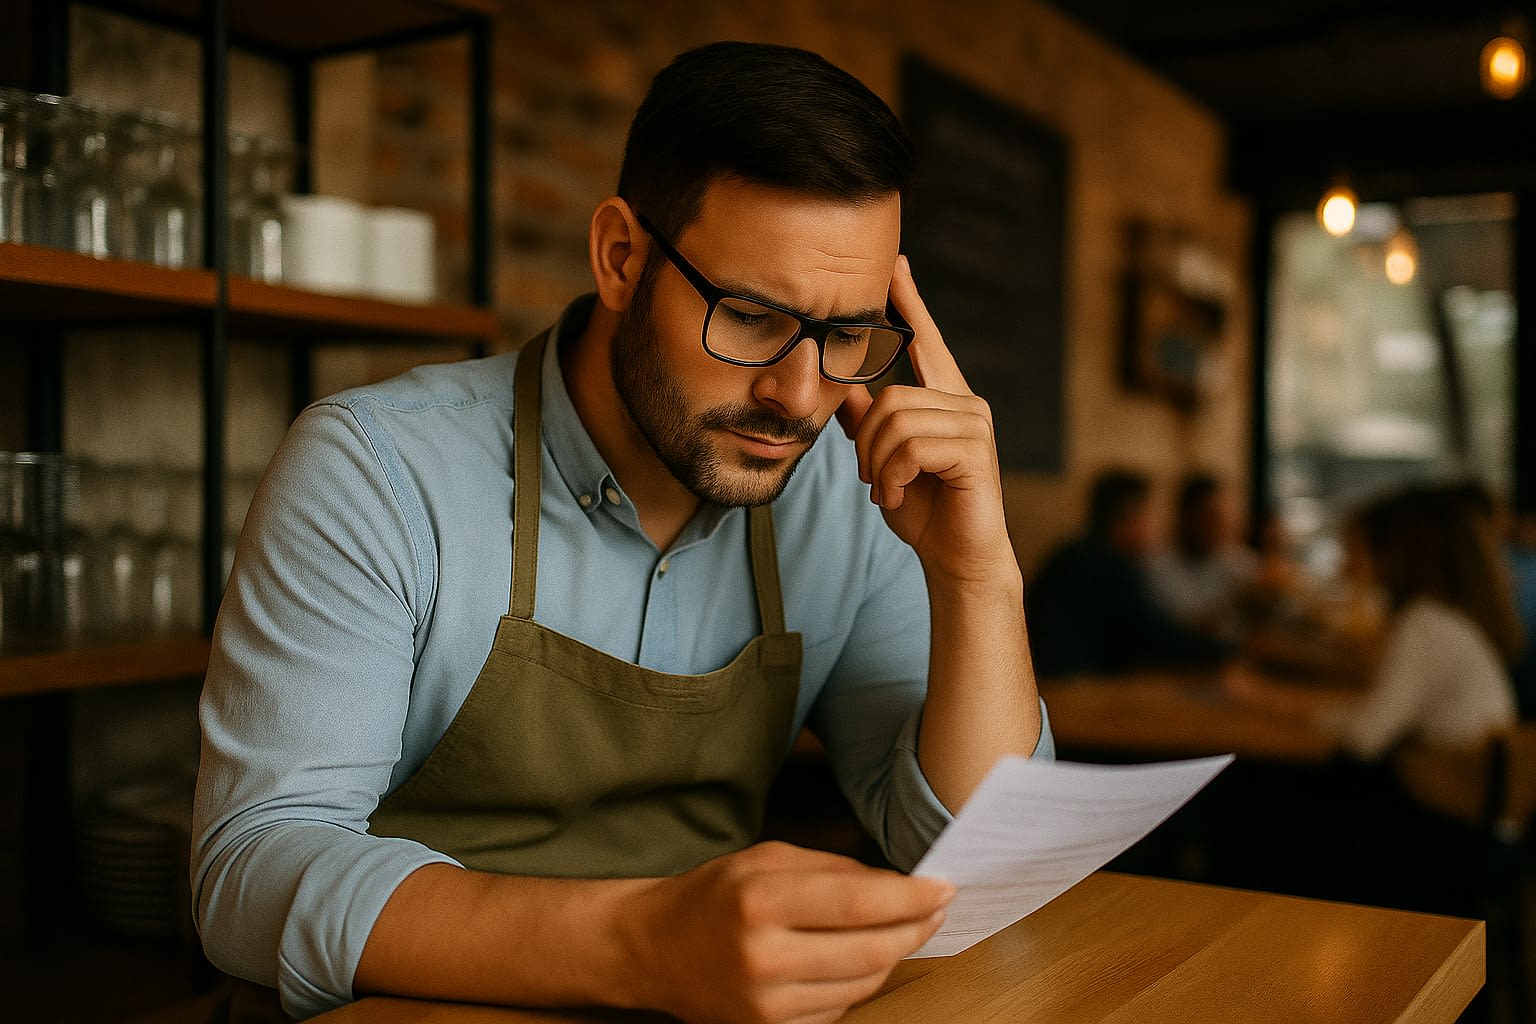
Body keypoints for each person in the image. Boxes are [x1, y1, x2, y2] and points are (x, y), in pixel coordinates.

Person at [192, 41, 1052, 1023]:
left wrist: (976, 574)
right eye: (752, 317)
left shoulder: (849, 500)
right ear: (621, 258)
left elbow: (991, 871)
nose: (800, 398)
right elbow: (252, 869)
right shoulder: (376, 472)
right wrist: (645, 942)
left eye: (849, 335)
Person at [1227, 484, 1521, 761]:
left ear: (1398, 553)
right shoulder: (1442, 617)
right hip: (1468, 789)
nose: (1349, 559)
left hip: (1454, 795)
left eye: (1360, 546)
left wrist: (1283, 706)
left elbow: (1365, 738)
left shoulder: (1425, 622)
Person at [1026, 469, 1230, 678]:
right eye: (1145, 515)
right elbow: (1155, 636)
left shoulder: (1073, 553)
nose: (1151, 526)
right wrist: (1231, 650)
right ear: (1126, 514)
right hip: (1075, 688)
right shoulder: (1108, 566)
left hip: (1050, 681)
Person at [1146, 473, 1258, 643]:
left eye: (1226, 515)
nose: (1222, 524)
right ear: (1186, 516)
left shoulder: (1240, 562)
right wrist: (1240, 600)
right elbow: (1183, 628)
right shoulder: (1156, 568)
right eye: (1211, 516)